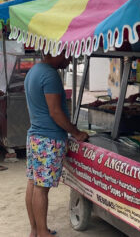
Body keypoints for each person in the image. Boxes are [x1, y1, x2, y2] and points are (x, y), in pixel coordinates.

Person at [24, 50, 89, 237]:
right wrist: (76, 133)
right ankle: (44, 232)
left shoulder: (34, 70)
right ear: (54, 52)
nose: (69, 59)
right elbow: (55, 112)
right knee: (41, 189)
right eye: (66, 54)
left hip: (35, 136)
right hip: (48, 139)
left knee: (33, 183)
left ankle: (35, 230)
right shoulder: (50, 75)